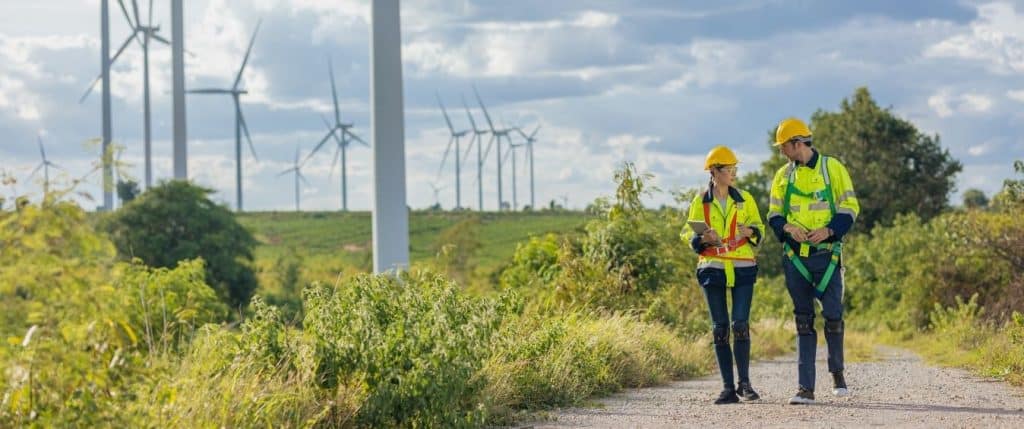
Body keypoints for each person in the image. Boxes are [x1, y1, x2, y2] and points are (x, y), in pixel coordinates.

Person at [766, 117, 860, 405]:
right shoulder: (783, 176)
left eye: (784, 147)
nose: (782, 152)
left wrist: (830, 230)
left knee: (833, 316)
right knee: (803, 320)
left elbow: (850, 206)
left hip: (828, 256)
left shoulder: (833, 169)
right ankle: (805, 388)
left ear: (798, 144)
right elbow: (773, 214)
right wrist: (787, 228)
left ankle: (837, 372)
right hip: (796, 259)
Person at [685, 145, 764, 404]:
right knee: (720, 329)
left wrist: (750, 232)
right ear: (715, 172)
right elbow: (687, 233)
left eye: (734, 169)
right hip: (712, 268)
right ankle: (728, 389)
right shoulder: (700, 202)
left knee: (739, 324)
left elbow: (759, 228)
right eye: (729, 169)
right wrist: (701, 238)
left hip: (742, 266)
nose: (734, 174)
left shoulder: (746, 199)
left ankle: (745, 385)